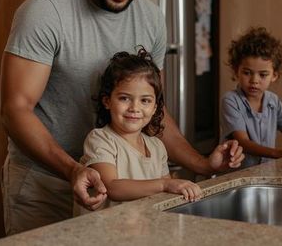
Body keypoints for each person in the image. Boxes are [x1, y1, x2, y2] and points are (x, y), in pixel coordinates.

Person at [0, 0, 243, 235]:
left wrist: (202, 163)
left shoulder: (152, 20)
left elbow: (154, 111)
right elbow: (15, 109)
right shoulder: (47, 11)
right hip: (46, 186)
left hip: (122, 192)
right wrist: (74, 170)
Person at [80, 48, 202, 212]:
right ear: (107, 101)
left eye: (145, 100)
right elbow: (112, 187)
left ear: (154, 108)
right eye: (124, 98)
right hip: (107, 234)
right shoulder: (100, 139)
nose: (134, 108)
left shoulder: (157, 147)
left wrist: (176, 186)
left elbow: (165, 195)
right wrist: (165, 183)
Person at [221, 26, 282, 169]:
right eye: (247, 73)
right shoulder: (230, 100)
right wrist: (279, 153)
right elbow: (243, 142)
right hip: (236, 177)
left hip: (264, 174)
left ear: (274, 75)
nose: (254, 80)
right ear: (236, 71)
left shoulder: (273, 101)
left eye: (263, 75)